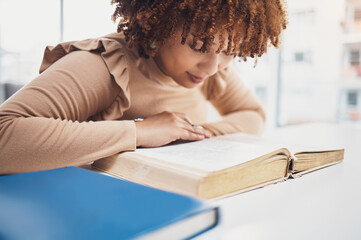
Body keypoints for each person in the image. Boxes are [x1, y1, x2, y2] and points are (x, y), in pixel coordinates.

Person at [0, 0, 287, 174]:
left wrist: (192, 134)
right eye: (199, 46)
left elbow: (252, 114)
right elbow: (5, 136)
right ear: (160, 25)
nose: (213, 67)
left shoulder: (212, 70)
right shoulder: (104, 65)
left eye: (231, 51)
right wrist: (141, 131)